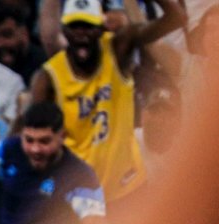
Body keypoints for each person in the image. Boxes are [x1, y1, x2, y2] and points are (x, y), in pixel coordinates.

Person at [31, 0, 184, 205]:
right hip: (79, 194)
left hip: (128, 185)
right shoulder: (49, 77)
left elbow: (176, 18)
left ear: (100, 28)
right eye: (75, 27)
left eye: (88, 27)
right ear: (65, 30)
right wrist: (47, 191)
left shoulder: (118, 49)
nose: (81, 34)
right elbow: (35, 138)